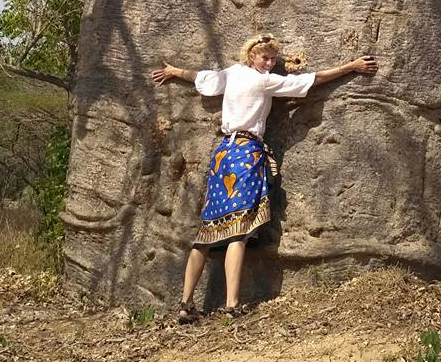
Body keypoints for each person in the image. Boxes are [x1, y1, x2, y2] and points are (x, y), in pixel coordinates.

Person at [151, 33, 377, 322]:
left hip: (222, 155)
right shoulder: (263, 81)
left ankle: (186, 304)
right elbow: (311, 81)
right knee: (237, 231)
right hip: (246, 154)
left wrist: (174, 71)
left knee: (208, 230)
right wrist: (351, 67)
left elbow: (202, 78)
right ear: (251, 56)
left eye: (272, 59)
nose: (269, 63)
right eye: (264, 58)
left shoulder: (232, 74)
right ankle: (231, 305)